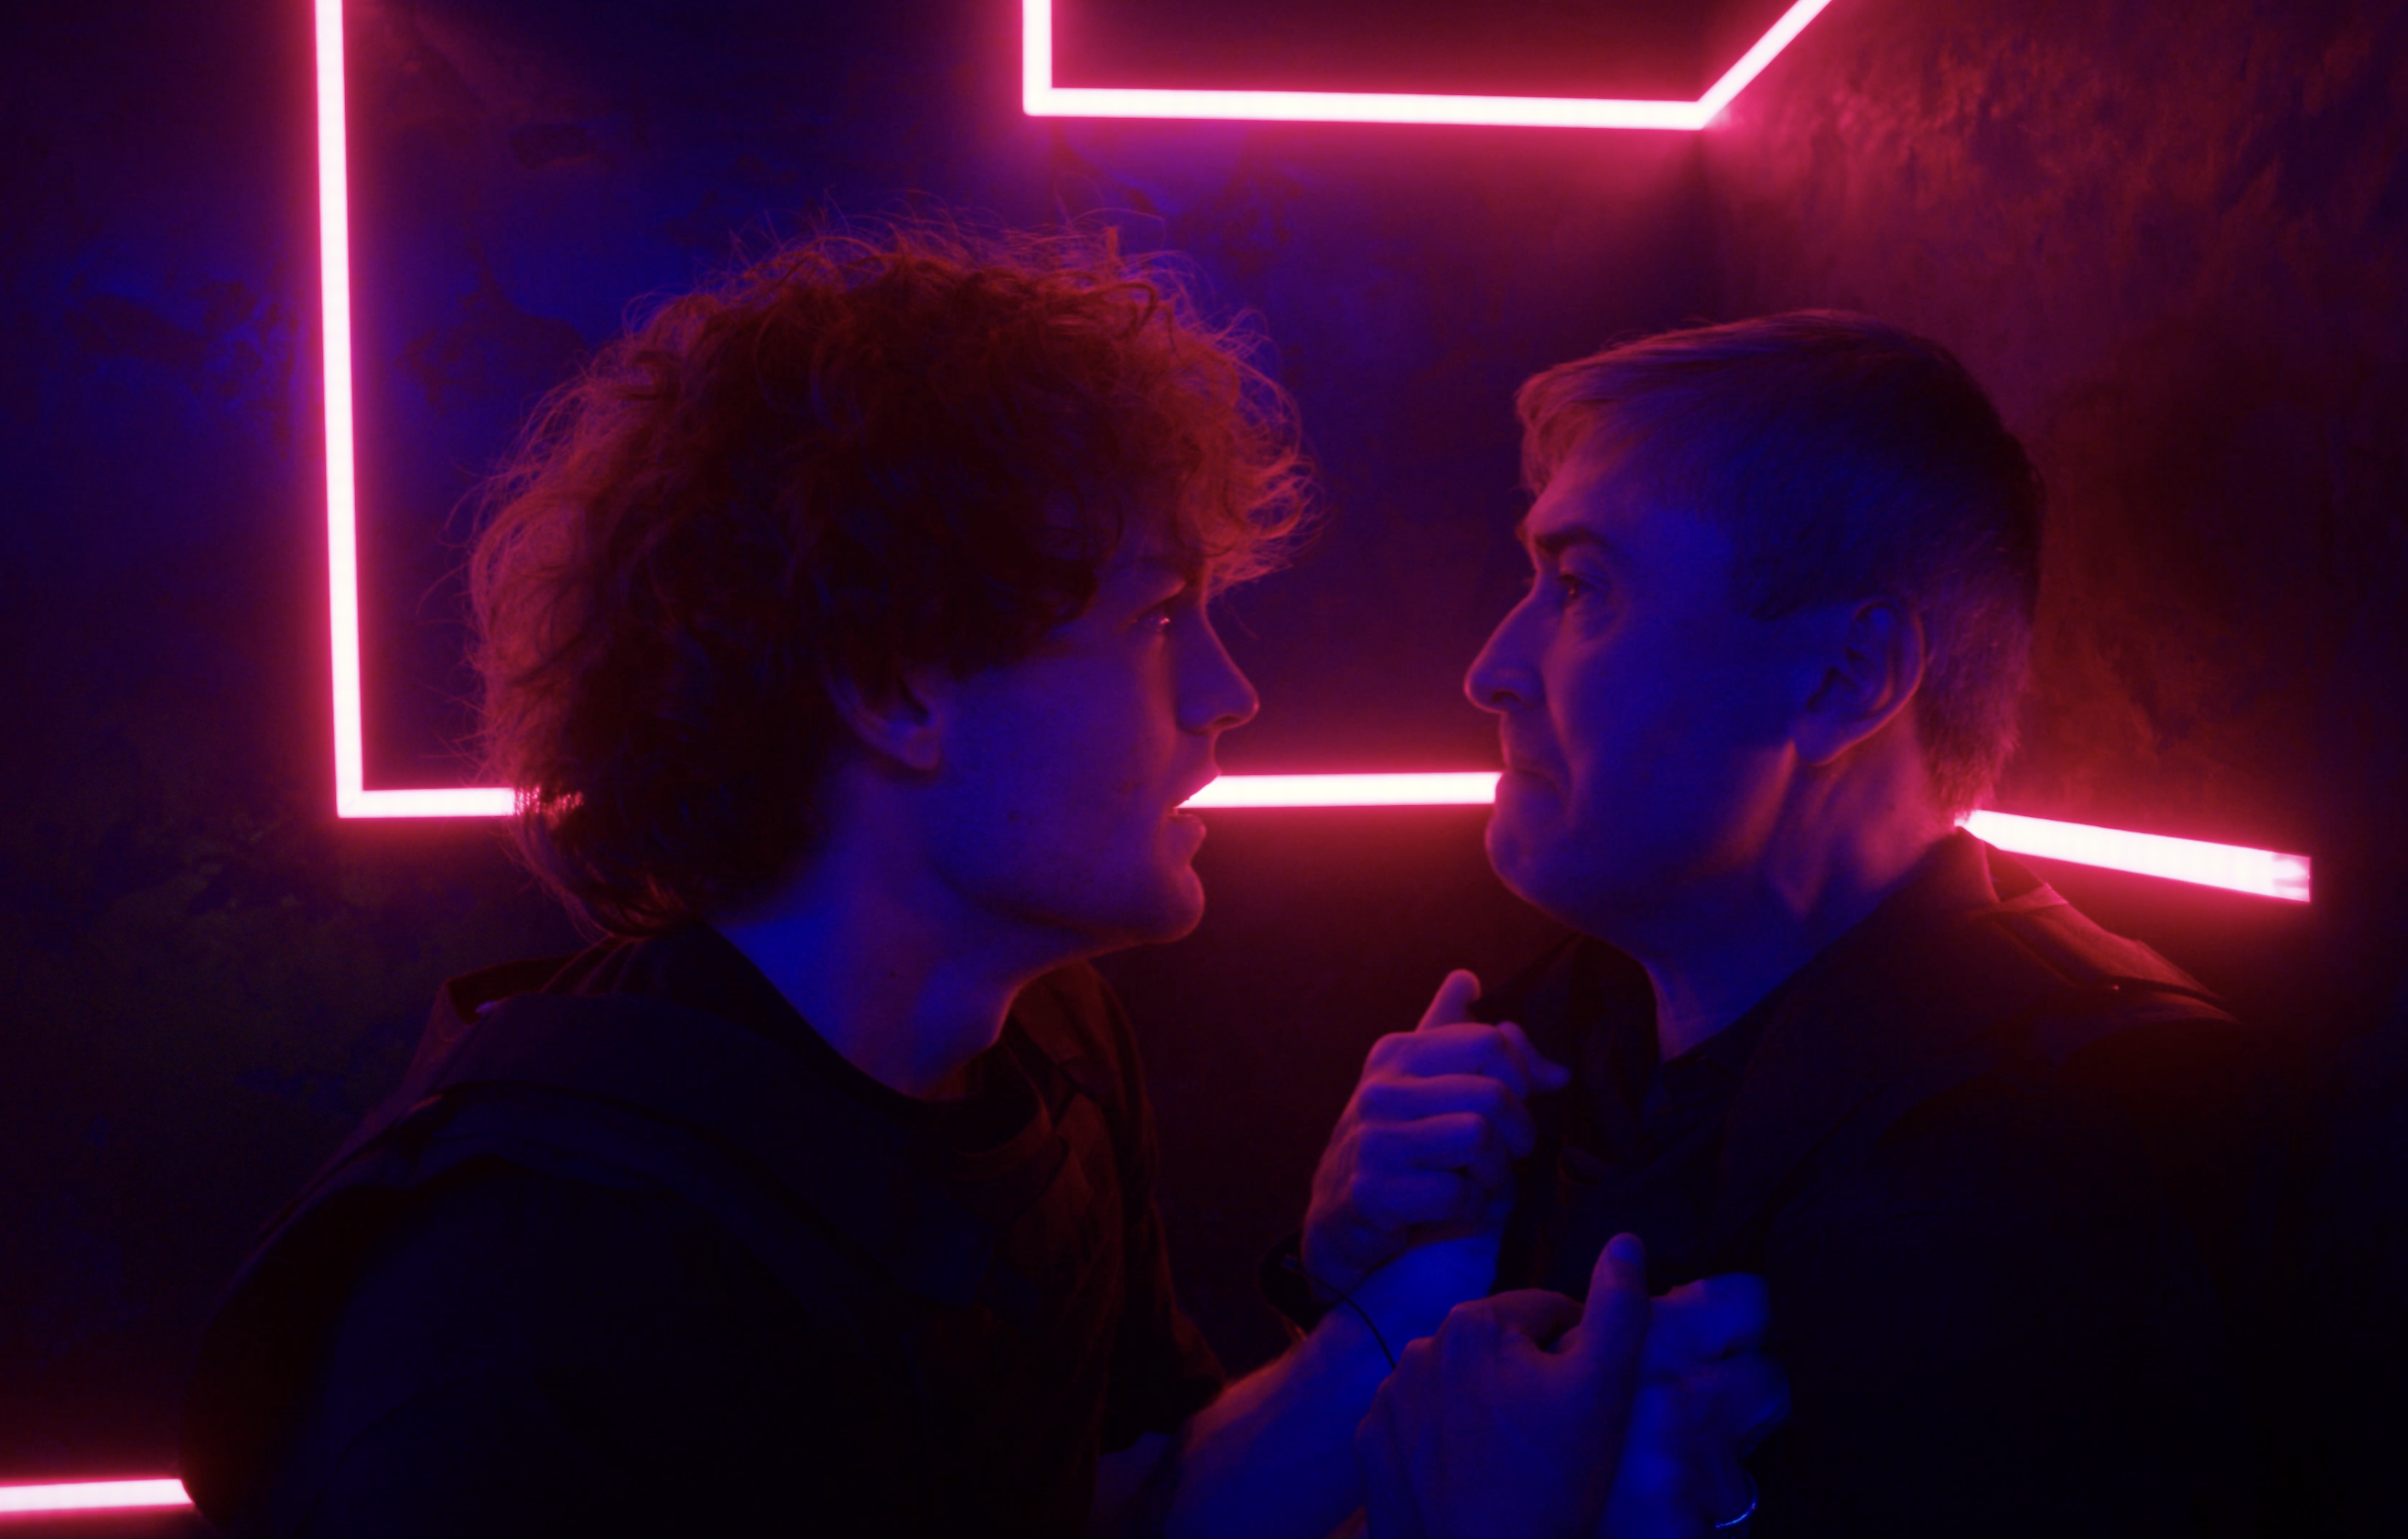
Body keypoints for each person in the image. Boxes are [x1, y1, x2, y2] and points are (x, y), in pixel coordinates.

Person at [176, 225, 1710, 1539]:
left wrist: (1411, 1307)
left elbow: (1133, 1499)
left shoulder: (1046, 1036)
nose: (1227, 693)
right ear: (896, 684)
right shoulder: (549, 1319)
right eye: (1156, 618)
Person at [1304, 313, 2288, 1533]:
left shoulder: (2027, 1184)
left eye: (1581, 586)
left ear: (1842, 679)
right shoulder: (1551, 1041)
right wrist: (1359, 1291)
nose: (1491, 668)